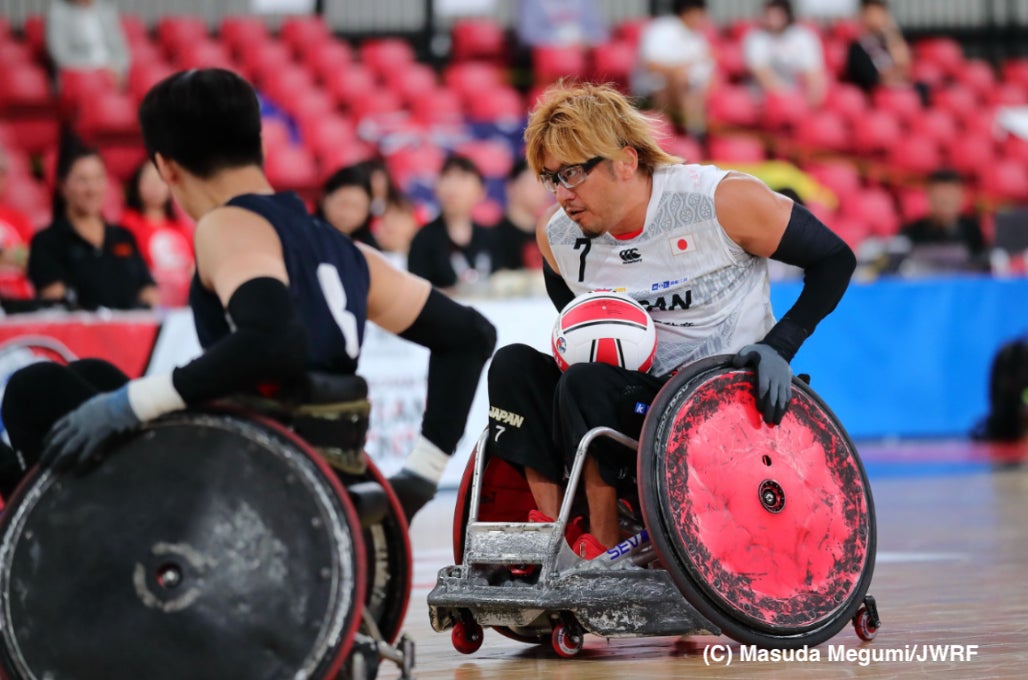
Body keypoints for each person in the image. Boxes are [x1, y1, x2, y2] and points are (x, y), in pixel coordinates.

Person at [0, 69, 496, 522]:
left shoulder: (227, 224)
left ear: (167, 167)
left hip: (246, 482)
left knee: (35, 388)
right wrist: (421, 475)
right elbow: (470, 335)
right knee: (95, 377)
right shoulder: (341, 247)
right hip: (330, 467)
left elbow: (275, 341)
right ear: (256, 143)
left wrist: (136, 401)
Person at [486, 82, 856, 557]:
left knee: (584, 383)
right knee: (512, 364)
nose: (562, 194)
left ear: (625, 160)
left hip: (716, 399)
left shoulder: (719, 201)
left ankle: (604, 545)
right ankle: (554, 536)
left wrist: (779, 345)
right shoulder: (557, 238)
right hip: (630, 400)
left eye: (574, 173)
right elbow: (574, 319)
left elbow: (835, 259)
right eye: (551, 178)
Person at [27, 138, 157, 310]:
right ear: (62, 186)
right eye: (82, 180)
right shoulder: (46, 242)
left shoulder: (123, 236)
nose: (92, 189)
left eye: (98, 178)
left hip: (131, 333)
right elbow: (55, 301)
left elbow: (148, 289)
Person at [407, 155, 493, 291]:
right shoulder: (424, 238)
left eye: (462, 178)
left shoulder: (490, 238)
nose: (452, 187)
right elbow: (418, 292)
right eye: (446, 177)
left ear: (481, 191)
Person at [631, 0, 715, 139]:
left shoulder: (698, 38)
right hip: (652, 91)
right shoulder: (660, 29)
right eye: (701, 15)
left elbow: (706, 74)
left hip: (688, 92)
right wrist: (678, 72)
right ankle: (694, 135)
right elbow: (651, 65)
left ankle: (695, 133)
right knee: (682, 81)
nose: (703, 19)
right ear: (690, 12)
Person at [121, 159, 195, 307]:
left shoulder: (182, 228)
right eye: (148, 181)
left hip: (186, 306)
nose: (155, 187)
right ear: (137, 185)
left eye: (160, 180)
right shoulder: (127, 224)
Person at [896, 168, 988, 273]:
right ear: (929, 196)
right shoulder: (912, 231)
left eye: (951, 195)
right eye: (940, 197)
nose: (945, 201)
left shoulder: (973, 231)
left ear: (961, 196)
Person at [742, 0, 828, 107]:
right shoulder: (755, 38)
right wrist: (788, 99)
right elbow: (761, 73)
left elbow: (813, 73)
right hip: (764, 98)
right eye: (768, 15)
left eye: (776, 15)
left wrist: (810, 100)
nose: (771, 20)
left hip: (798, 97)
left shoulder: (804, 37)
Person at [46, 0, 131, 87]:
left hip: (111, 71)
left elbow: (120, 49)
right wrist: (100, 69)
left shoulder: (105, 8)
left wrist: (119, 69)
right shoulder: (59, 11)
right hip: (80, 74)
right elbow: (61, 57)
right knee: (94, 82)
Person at [490, 158, 553, 272]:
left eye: (544, 184)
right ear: (512, 187)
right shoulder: (493, 237)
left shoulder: (549, 235)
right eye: (534, 184)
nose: (542, 191)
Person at [844, 0, 914, 94]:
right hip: (875, 95)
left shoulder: (890, 40)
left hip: (899, 93)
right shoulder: (857, 48)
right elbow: (870, 78)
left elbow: (903, 65)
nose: (878, 17)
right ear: (864, 14)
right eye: (874, 13)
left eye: (881, 12)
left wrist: (890, 32)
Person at [316, 163, 380, 249]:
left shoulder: (370, 247)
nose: (347, 214)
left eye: (357, 207)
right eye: (342, 204)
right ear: (324, 198)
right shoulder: (305, 236)